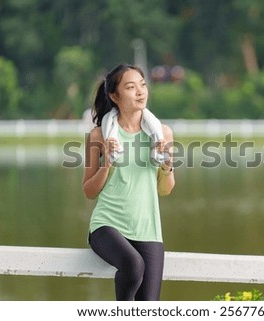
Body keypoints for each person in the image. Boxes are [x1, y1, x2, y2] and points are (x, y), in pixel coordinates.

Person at [82, 63, 175, 301]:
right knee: (133, 266)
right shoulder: (98, 136)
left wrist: (166, 164)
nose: (140, 92)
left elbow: (165, 189)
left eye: (142, 85)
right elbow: (89, 191)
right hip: (107, 225)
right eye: (131, 87)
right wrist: (107, 163)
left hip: (148, 229)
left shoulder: (162, 133)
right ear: (114, 96)